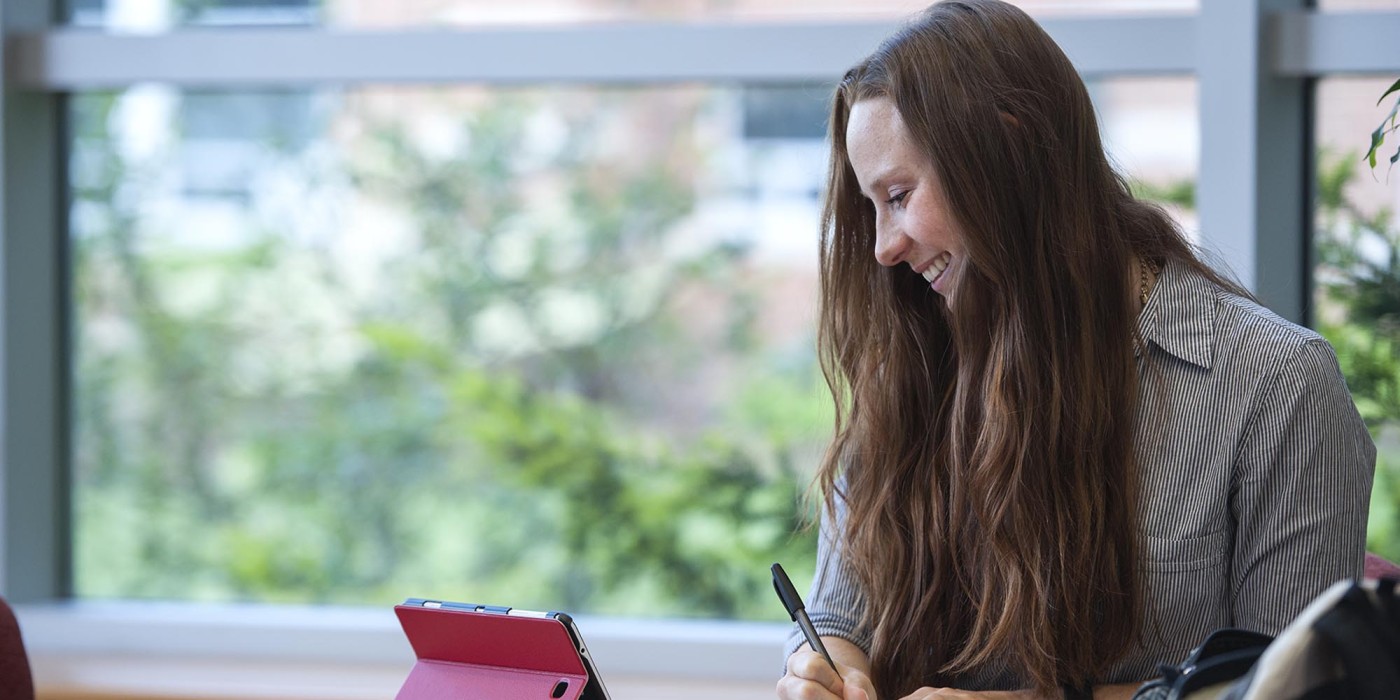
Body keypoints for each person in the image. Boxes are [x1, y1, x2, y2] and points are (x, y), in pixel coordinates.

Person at [775, 2, 1376, 700]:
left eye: (900, 196)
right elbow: (834, 615)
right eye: (871, 206)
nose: (883, 248)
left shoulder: (1279, 388)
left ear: (1009, 153)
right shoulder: (910, 366)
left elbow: (1289, 689)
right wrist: (820, 670)